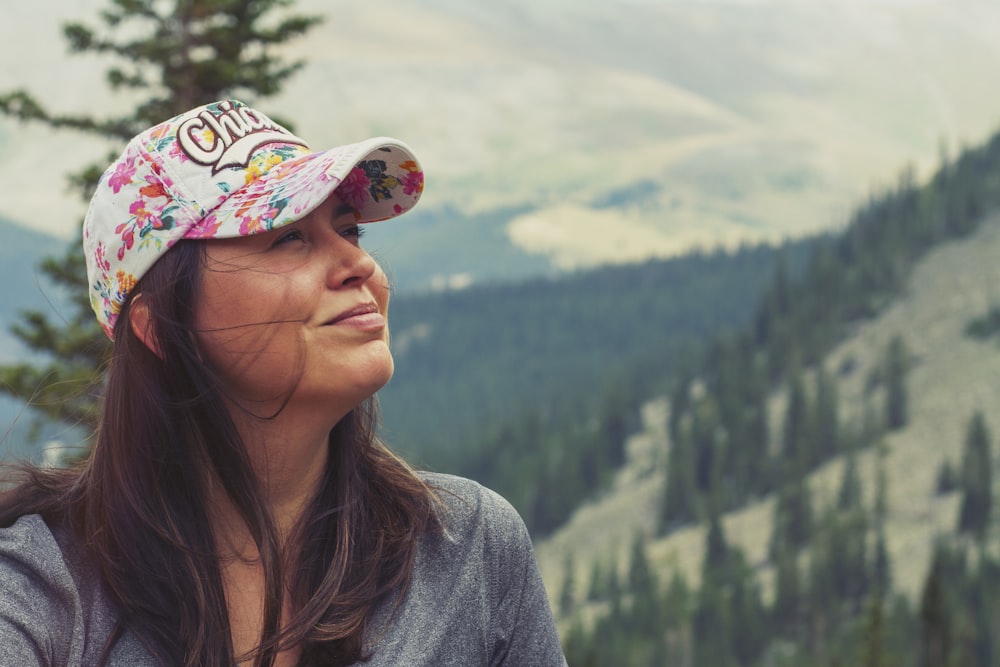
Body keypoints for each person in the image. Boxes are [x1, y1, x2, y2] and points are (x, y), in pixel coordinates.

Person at [0, 99, 567, 667]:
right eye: (288, 237)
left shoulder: (467, 551)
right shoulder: (41, 593)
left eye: (350, 230)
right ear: (160, 328)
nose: (360, 266)